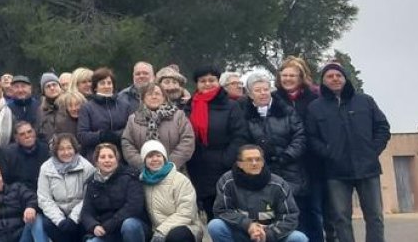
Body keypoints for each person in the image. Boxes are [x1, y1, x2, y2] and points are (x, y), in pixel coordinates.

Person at [305, 62, 390, 242]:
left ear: (345, 78)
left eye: (338, 75)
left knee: (375, 216)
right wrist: (328, 153)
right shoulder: (315, 107)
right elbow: (311, 138)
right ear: (323, 81)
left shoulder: (365, 101)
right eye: (330, 76)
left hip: (368, 169)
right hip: (336, 172)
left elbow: (382, 127)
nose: (335, 79)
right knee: (341, 218)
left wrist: (372, 151)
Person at [271, 57, 325, 242]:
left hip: (312, 162)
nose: (287, 79)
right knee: (292, 212)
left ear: (301, 77)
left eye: (292, 75)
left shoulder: (314, 98)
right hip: (287, 164)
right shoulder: (274, 98)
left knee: (315, 210)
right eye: (284, 75)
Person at [184, 66, 246, 219]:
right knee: (211, 215)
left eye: (211, 80)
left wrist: (226, 159)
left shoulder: (231, 106)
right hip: (198, 167)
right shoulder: (189, 106)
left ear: (218, 82)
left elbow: (240, 135)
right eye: (202, 81)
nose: (207, 84)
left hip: (223, 167)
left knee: (228, 213)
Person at [209, 144, 306, 242]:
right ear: (239, 164)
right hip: (242, 233)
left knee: (298, 238)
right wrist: (248, 225)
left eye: (258, 159)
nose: (254, 163)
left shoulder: (279, 184)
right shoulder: (227, 181)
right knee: (215, 226)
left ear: (263, 162)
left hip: (270, 235)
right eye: (249, 160)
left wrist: (268, 234)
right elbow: (222, 210)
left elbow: (290, 216)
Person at [241, 71, 306, 199]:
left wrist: (287, 155)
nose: (263, 93)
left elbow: (300, 136)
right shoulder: (244, 116)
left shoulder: (286, 111)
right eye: (258, 90)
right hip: (260, 170)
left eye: (266, 89)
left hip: (290, 169)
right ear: (250, 94)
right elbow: (243, 142)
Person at [79, 143, 145, 242]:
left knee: (129, 225)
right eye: (102, 157)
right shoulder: (92, 183)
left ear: (117, 159)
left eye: (111, 156)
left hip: (131, 226)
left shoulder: (130, 176)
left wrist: (110, 224)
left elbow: (134, 206)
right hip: (106, 232)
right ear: (96, 162)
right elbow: (86, 212)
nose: (107, 160)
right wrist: (94, 226)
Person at [137, 140, 202, 242]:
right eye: (150, 156)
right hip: (155, 229)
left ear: (164, 158)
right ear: (144, 161)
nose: (154, 159)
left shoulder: (180, 180)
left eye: (158, 155)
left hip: (185, 227)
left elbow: (186, 213)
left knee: (177, 236)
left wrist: (162, 231)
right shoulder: (142, 181)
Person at [121, 83, 194, 172]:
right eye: (150, 94)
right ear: (143, 98)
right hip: (143, 173)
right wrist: (142, 165)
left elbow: (187, 140)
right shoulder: (133, 119)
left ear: (164, 98)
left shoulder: (178, 116)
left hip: (174, 172)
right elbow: (127, 143)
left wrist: (170, 165)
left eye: (157, 94)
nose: (154, 97)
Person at [36, 133, 94, 242]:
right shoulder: (45, 168)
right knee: (47, 224)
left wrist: (73, 218)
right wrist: (60, 220)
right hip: (58, 215)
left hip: (80, 215)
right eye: (61, 149)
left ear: (75, 149)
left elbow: (88, 197)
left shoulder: (87, 167)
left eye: (69, 148)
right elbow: (44, 198)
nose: (66, 152)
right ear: (55, 151)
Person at [77, 68, 133, 159]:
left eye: (109, 83)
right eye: (102, 83)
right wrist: (101, 136)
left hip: (121, 155)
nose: (106, 86)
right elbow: (82, 136)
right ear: (95, 87)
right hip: (95, 156)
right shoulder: (87, 107)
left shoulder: (125, 105)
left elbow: (131, 129)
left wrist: (116, 135)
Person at [2, 121, 49, 192]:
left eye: (29, 132)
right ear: (16, 138)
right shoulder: (9, 154)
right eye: (22, 134)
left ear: (34, 133)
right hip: (20, 194)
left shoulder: (45, 149)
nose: (27, 136)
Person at [36, 74, 67, 146]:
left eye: (54, 84)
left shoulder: (69, 104)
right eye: (48, 86)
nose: (52, 88)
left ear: (60, 87)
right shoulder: (40, 111)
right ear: (43, 91)